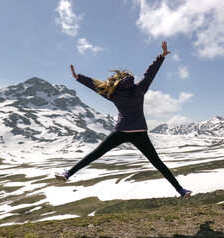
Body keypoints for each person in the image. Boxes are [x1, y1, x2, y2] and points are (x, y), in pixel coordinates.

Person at [55, 41, 192, 197]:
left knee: (96, 153)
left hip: (121, 131)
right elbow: (150, 73)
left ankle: (68, 174)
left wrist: (78, 77)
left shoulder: (114, 94)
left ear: (117, 81)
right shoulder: (139, 89)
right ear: (131, 80)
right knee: (158, 163)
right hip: (140, 132)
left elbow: (96, 87)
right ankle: (180, 190)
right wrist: (161, 57)